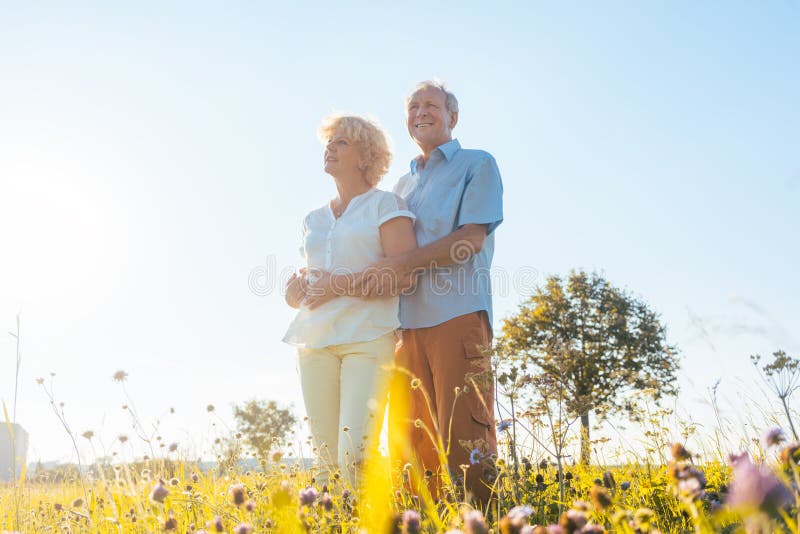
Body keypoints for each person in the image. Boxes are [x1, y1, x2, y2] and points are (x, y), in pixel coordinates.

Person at [363, 80, 504, 503]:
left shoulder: (477, 164)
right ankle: (426, 523)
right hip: (404, 326)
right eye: (412, 106)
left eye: (431, 105)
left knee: (466, 435)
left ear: (452, 117)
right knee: (411, 443)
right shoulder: (398, 189)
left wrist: (401, 264)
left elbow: (471, 239)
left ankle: (484, 524)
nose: (420, 112)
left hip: (457, 315)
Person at [282, 114, 417, 487]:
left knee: (354, 454)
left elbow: (403, 274)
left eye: (342, 142)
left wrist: (337, 286)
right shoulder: (314, 218)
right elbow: (313, 277)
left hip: (368, 338)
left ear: (365, 156)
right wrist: (292, 292)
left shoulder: (385, 205)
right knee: (325, 459)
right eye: (329, 141)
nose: (330, 148)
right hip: (314, 342)